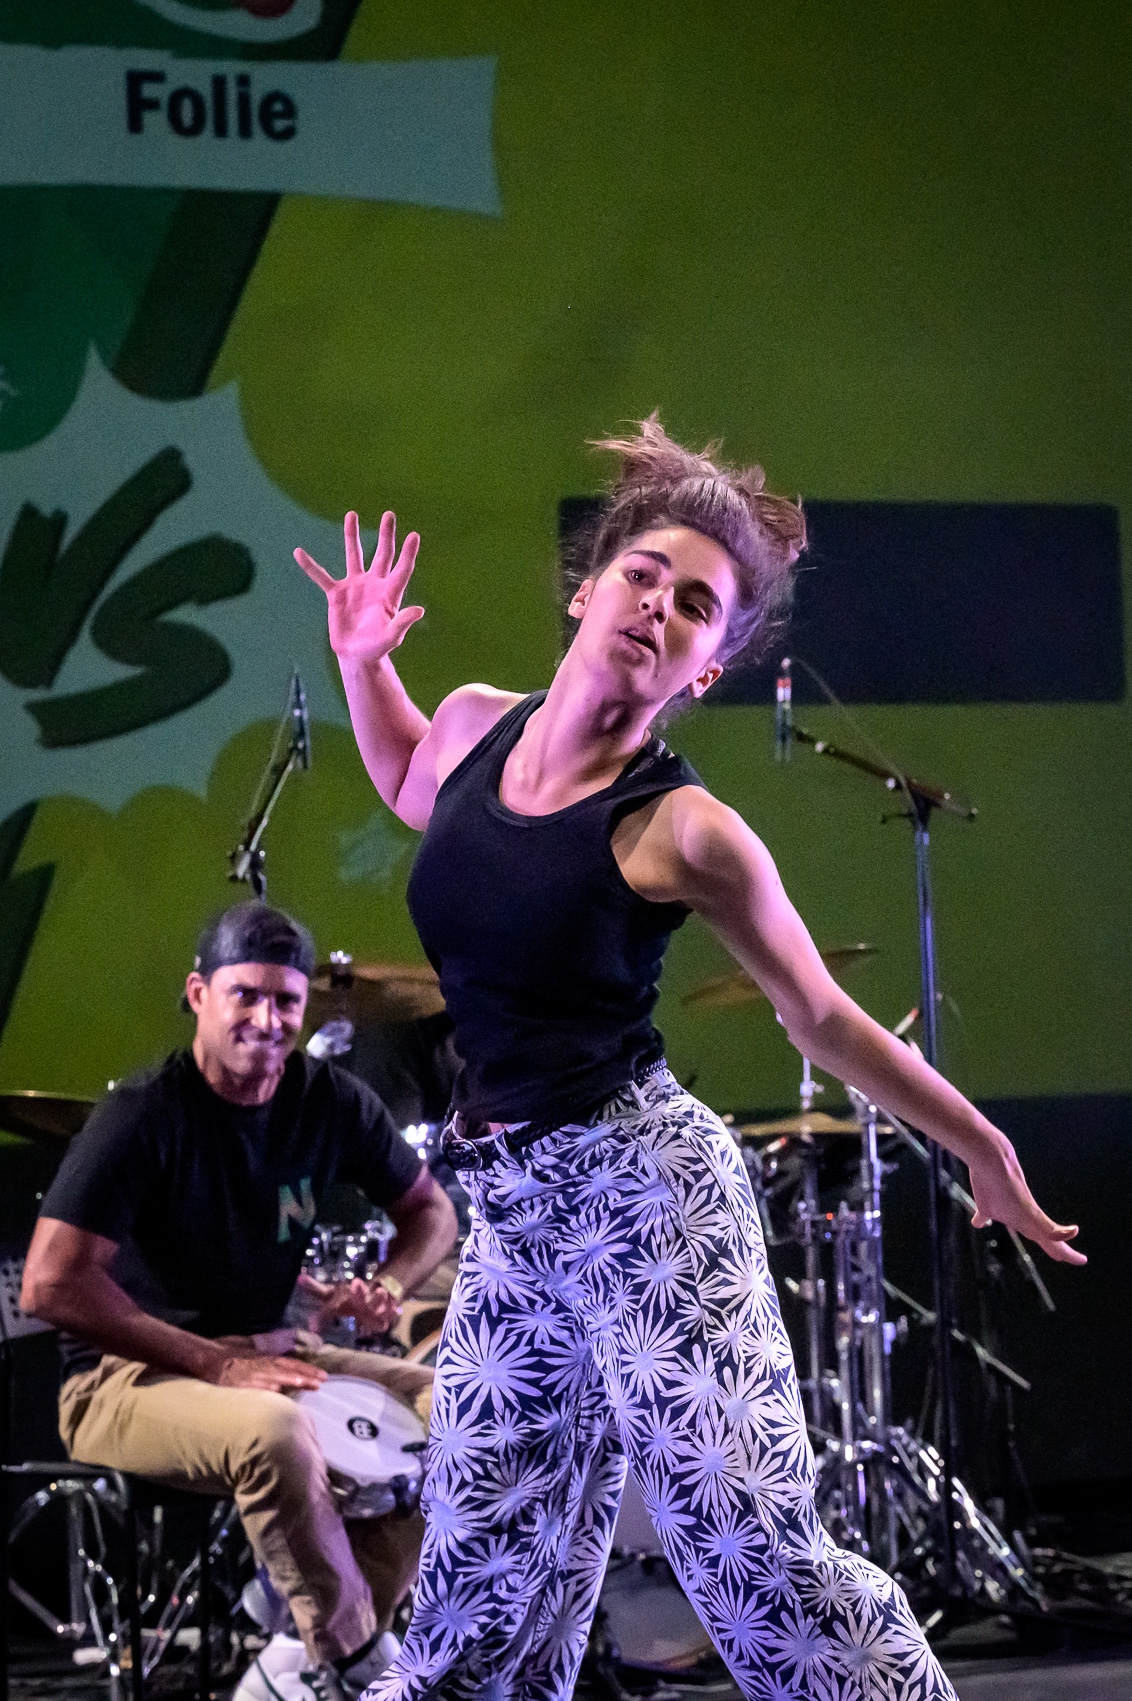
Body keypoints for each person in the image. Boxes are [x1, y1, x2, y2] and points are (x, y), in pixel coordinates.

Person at [294, 418, 1085, 1701]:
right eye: (642, 577)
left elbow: (822, 1017)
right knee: (478, 1597)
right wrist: (361, 664)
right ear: (585, 589)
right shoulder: (476, 726)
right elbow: (411, 787)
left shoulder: (686, 829)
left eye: (695, 606)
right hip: (509, 1215)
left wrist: (982, 1149)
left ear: (705, 666)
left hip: (644, 1201)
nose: (657, 607)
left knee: (749, 1562)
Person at [21, 902, 459, 1701]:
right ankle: (358, 1660)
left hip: (266, 1350)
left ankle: (298, 1643)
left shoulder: (325, 1098)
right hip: (120, 1380)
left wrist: (389, 1287)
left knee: (458, 1407)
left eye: (286, 1001)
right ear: (200, 994)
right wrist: (215, 1361)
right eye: (246, 995)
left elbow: (431, 1210)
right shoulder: (146, 1113)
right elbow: (49, 1281)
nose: (268, 1019)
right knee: (275, 1429)